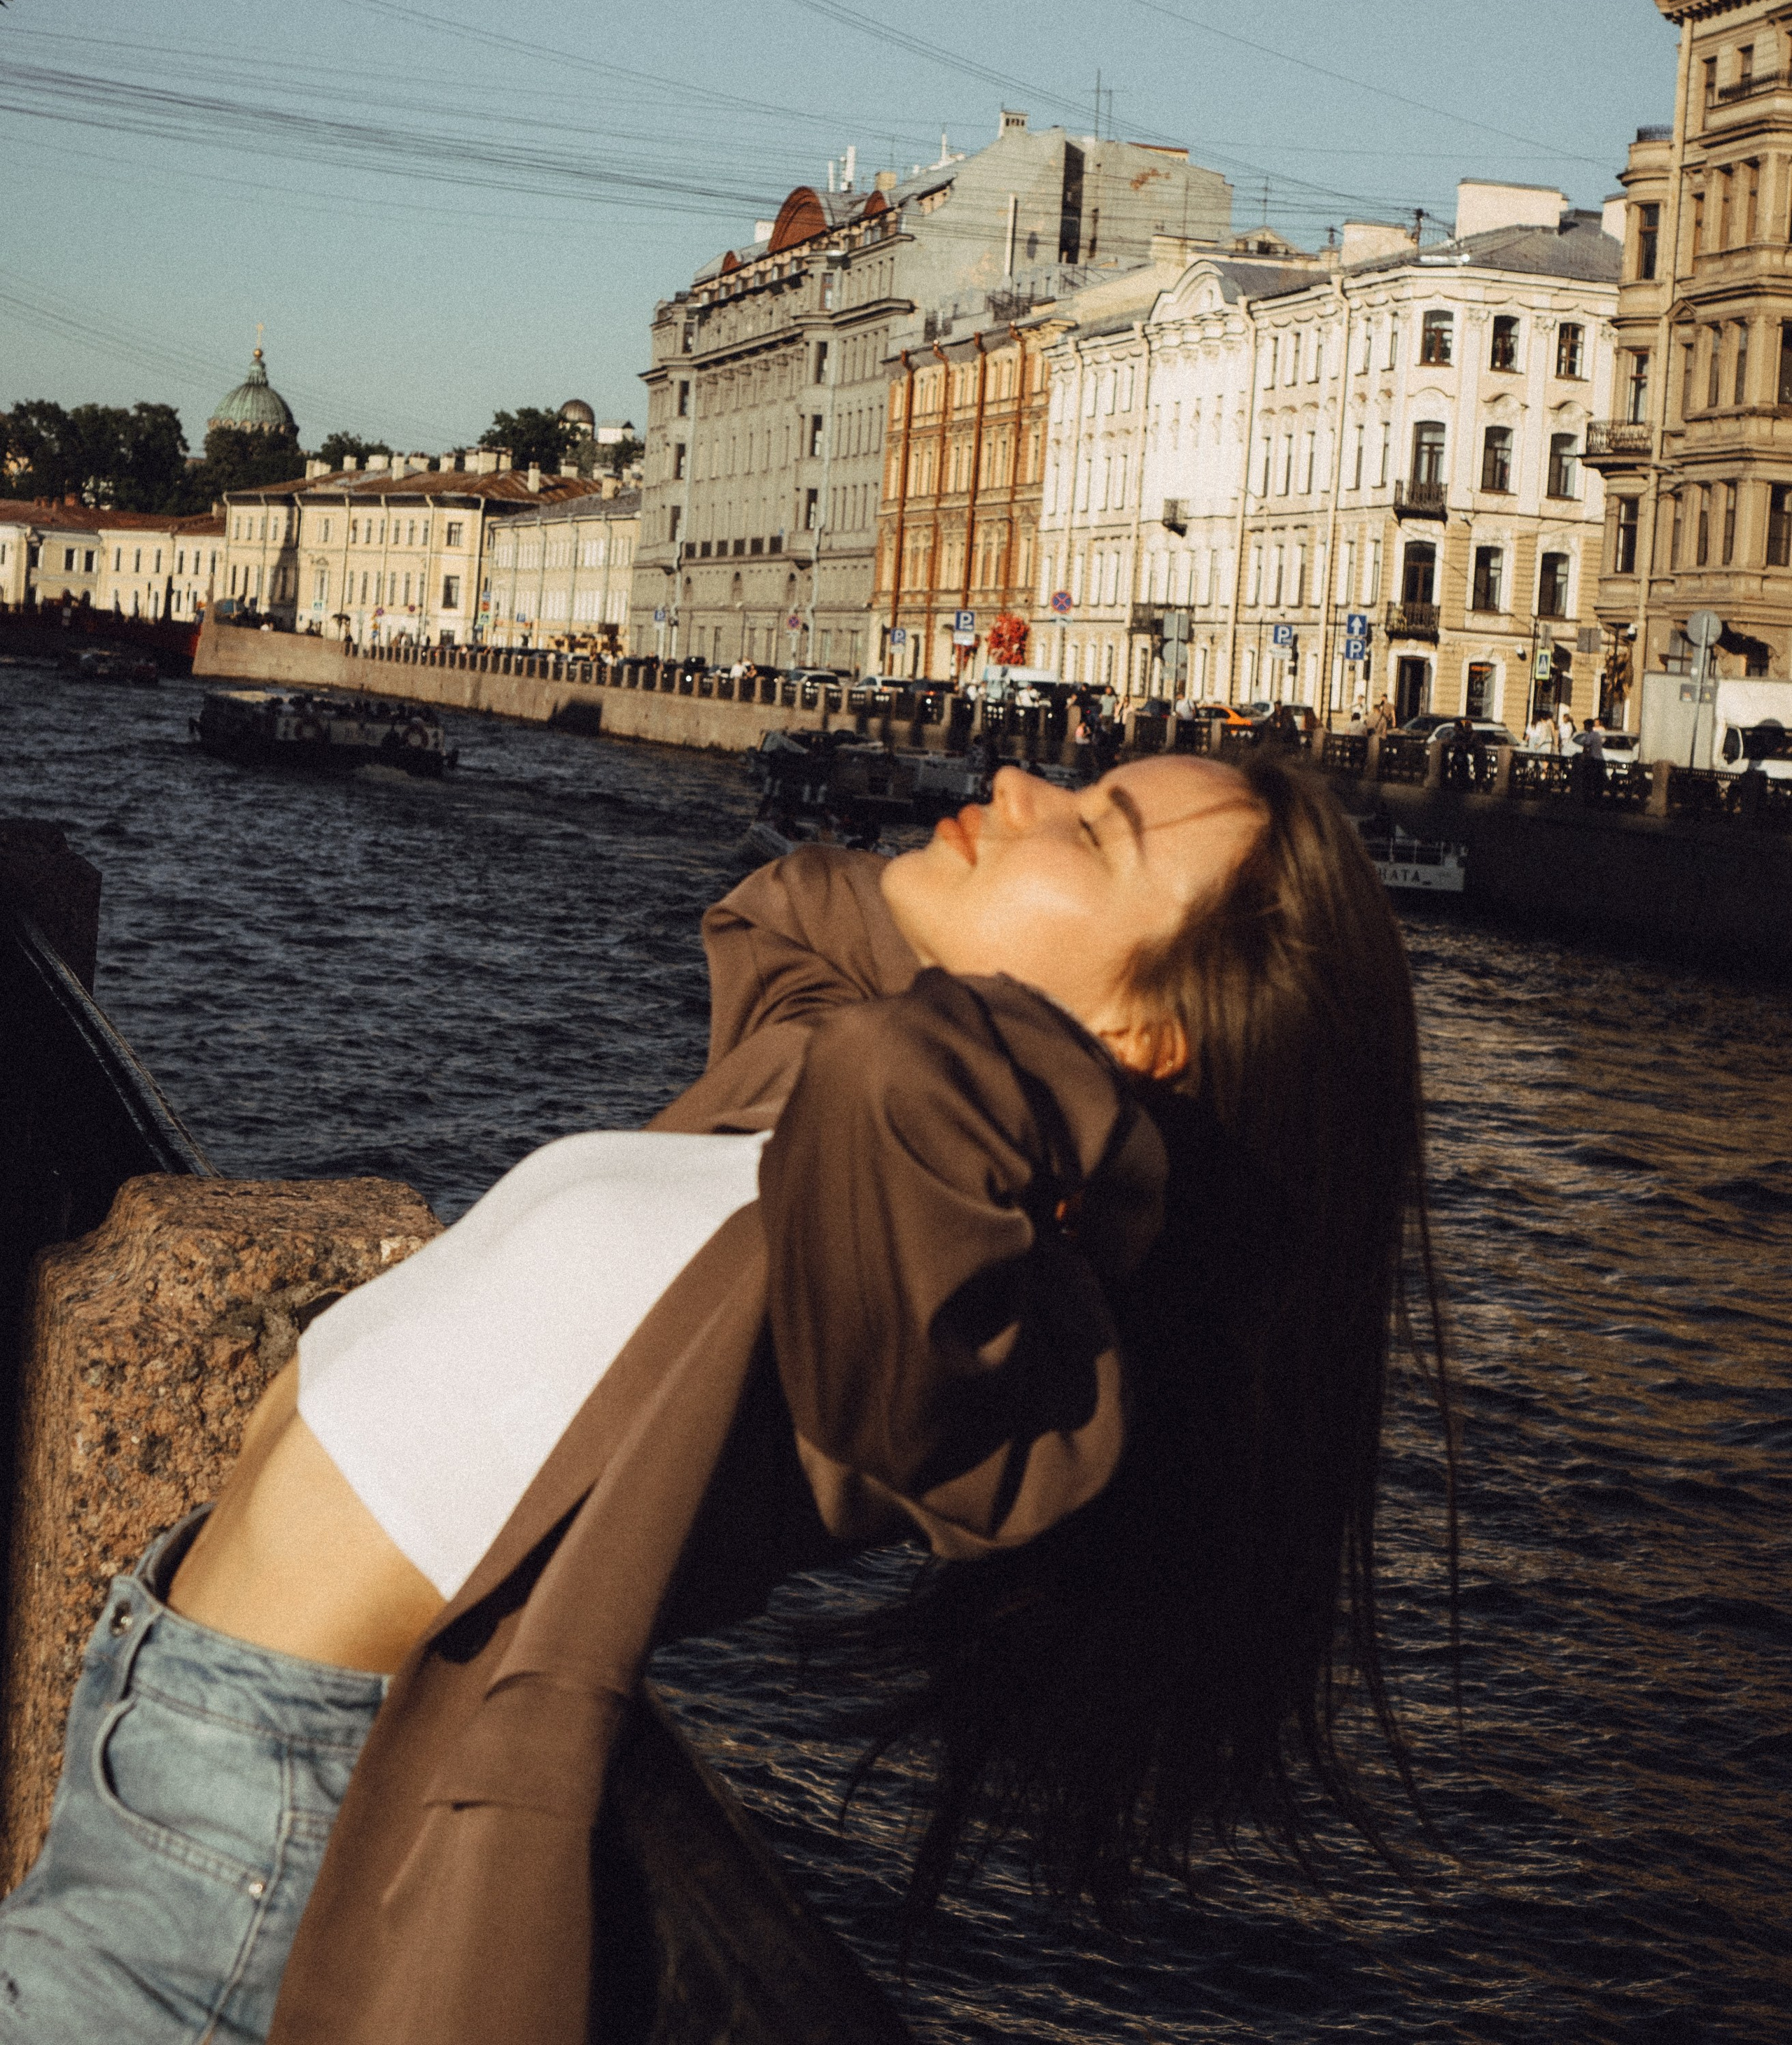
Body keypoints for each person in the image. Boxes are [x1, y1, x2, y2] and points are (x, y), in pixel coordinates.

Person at [0, 755, 1453, 2045]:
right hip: (172, 1700)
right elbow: (794, 907)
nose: (1016, 787)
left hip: (268, 1809)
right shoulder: (807, 1114)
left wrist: (1097, 1106)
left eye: (1093, 829)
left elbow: (906, 1082)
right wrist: (1023, 954)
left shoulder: (994, 1318)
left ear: (1145, 1045)